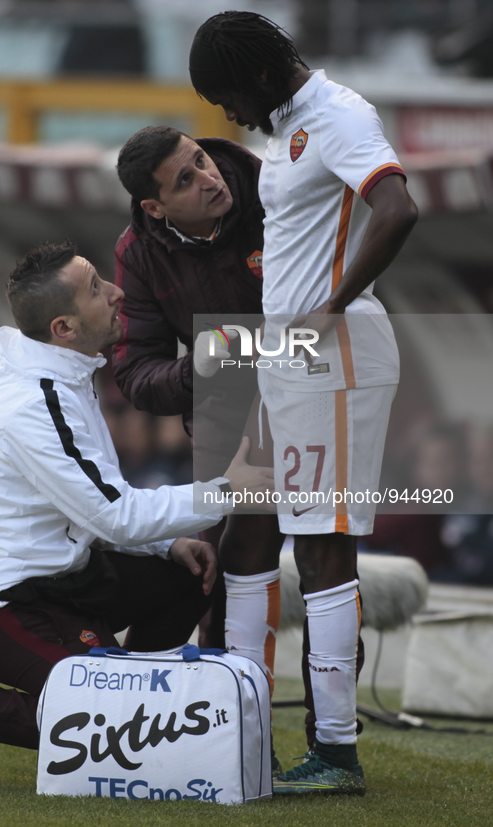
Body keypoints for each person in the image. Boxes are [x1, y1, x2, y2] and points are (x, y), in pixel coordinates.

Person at [0, 240, 274, 784]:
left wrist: (167, 546)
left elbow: (101, 505)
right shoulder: (31, 404)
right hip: (0, 604)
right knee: (114, 723)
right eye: (96, 288)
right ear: (63, 327)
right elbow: (113, 516)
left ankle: (128, 689)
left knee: (189, 577)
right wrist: (229, 490)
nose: (116, 292)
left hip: (69, 580)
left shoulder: (66, 372)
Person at [190, 12, 418, 797]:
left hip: (338, 353)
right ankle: (238, 720)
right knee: (253, 532)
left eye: (225, 97)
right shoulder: (285, 129)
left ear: (256, 75)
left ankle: (336, 751)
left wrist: (328, 308)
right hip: (286, 356)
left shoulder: (342, 116)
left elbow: (398, 210)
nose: (225, 116)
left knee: (322, 548)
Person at [114, 127, 285, 705]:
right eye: (186, 179)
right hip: (222, 413)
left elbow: (334, 312)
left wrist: (238, 351)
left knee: (325, 557)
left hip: (314, 388)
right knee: (209, 571)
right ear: (154, 208)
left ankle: (331, 739)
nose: (209, 178)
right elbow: (136, 375)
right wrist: (204, 370)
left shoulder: (276, 193)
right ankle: (208, 721)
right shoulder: (137, 254)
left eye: (202, 160)